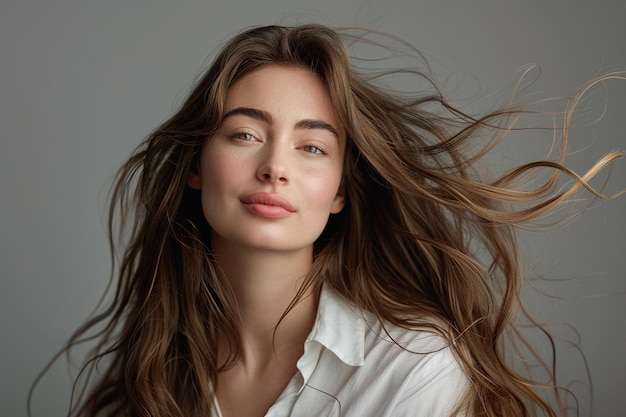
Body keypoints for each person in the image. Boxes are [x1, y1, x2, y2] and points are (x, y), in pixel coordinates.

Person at [30, 24, 623, 417]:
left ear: (340, 191)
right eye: (245, 135)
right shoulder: (159, 369)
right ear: (195, 165)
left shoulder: (413, 368)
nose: (274, 168)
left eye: (311, 147)